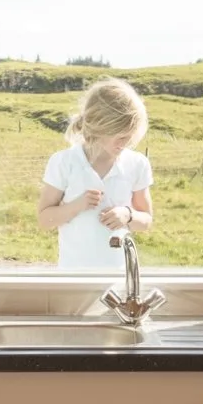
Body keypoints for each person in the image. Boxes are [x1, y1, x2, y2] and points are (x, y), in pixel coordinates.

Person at [36, 78, 154, 269]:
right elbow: (44, 219)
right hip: (73, 278)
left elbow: (146, 220)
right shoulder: (64, 162)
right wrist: (76, 206)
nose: (125, 144)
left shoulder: (137, 164)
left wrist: (128, 215)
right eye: (120, 137)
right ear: (100, 127)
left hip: (120, 279)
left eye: (130, 137)